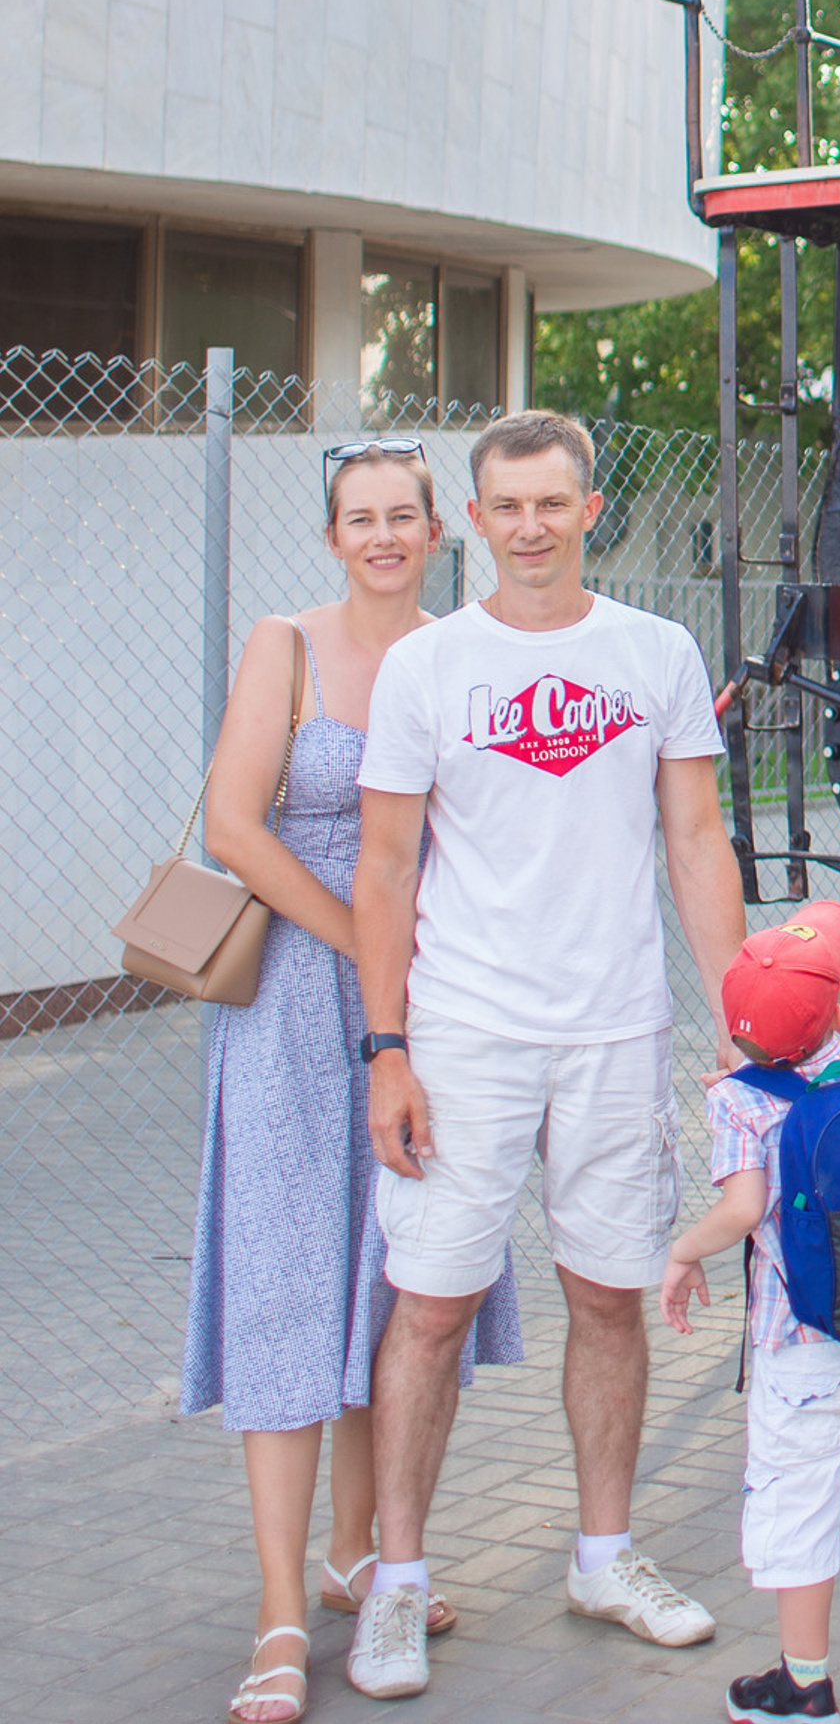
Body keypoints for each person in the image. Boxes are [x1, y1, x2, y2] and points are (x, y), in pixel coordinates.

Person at [345, 409, 750, 1702]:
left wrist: (747, 1027)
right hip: (462, 1037)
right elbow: (387, 863)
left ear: (587, 508)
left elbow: (696, 842)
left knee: (607, 1299)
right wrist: (387, 1049)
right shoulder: (427, 668)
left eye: (551, 503)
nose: (529, 525)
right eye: (505, 505)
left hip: (615, 1028)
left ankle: (604, 1556)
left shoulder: (657, 652)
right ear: (475, 520)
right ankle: (395, 1586)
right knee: (430, 1312)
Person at [182, 441, 524, 1724]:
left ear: (442, 527)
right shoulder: (288, 643)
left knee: (394, 1285)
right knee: (283, 1284)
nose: (384, 534)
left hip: (428, 1006)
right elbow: (232, 823)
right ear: (333, 534)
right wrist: (357, 940)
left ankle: (360, 1552)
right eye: (360, 517)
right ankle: (278, 1612)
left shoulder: (463, 649)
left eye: (404, 514)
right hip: (293, 999)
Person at [661, 903, 840, 1724]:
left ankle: (805, 1682)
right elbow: (816, 1076)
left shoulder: (739, 1106)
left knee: (800, 1505)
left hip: (799, 1353)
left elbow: (744, 1210)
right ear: (838, 1015)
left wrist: (684, 1252)